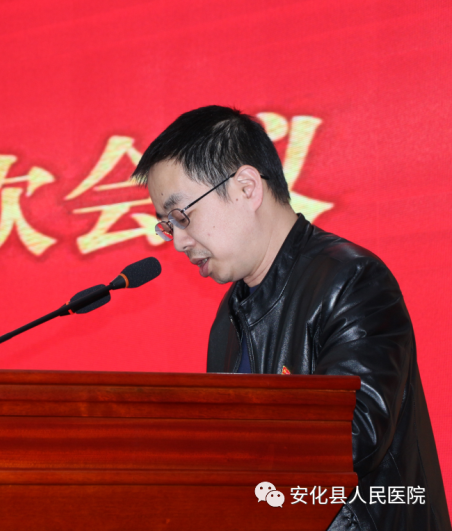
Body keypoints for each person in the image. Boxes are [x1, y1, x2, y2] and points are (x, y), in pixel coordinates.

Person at [132, 105, 451, 530]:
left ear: (246, 188)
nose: (179, 242)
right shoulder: (230, 316)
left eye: (181, 216)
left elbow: (352, 441)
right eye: (167, 226)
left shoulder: (350, 280)